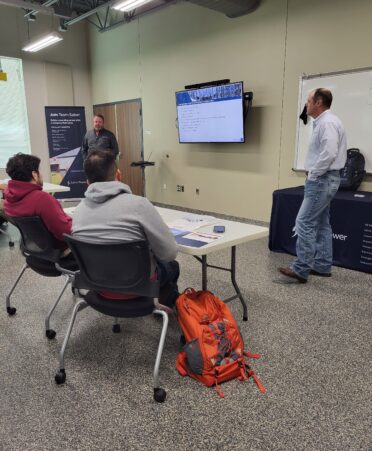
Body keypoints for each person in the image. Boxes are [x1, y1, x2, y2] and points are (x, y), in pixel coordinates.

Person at [72, 149, 179, 307]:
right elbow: (169, 253)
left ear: (87, 182)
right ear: (118, 175)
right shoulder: (139, 204)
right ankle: (163, 306)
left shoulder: (78, 210)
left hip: (96, 284)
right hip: (138, 285)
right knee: (172, 267)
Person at [278, 88, 347, 283]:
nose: (305, 104)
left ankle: (301, 268)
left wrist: (313, 175)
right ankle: (323, 265)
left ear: (318, 102)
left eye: (308, 101)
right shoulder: (326, 122)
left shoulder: (327, 123)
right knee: (322, 224)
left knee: (304, 222)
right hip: (326, 179)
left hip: (321, 180)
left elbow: (329, 153)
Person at [3, 153, 72, 254]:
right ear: (35, 175)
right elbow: (66, 233)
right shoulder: (42, 199)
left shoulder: (8, 200)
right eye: (40, 170)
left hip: (38, 250)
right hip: (63, 252)